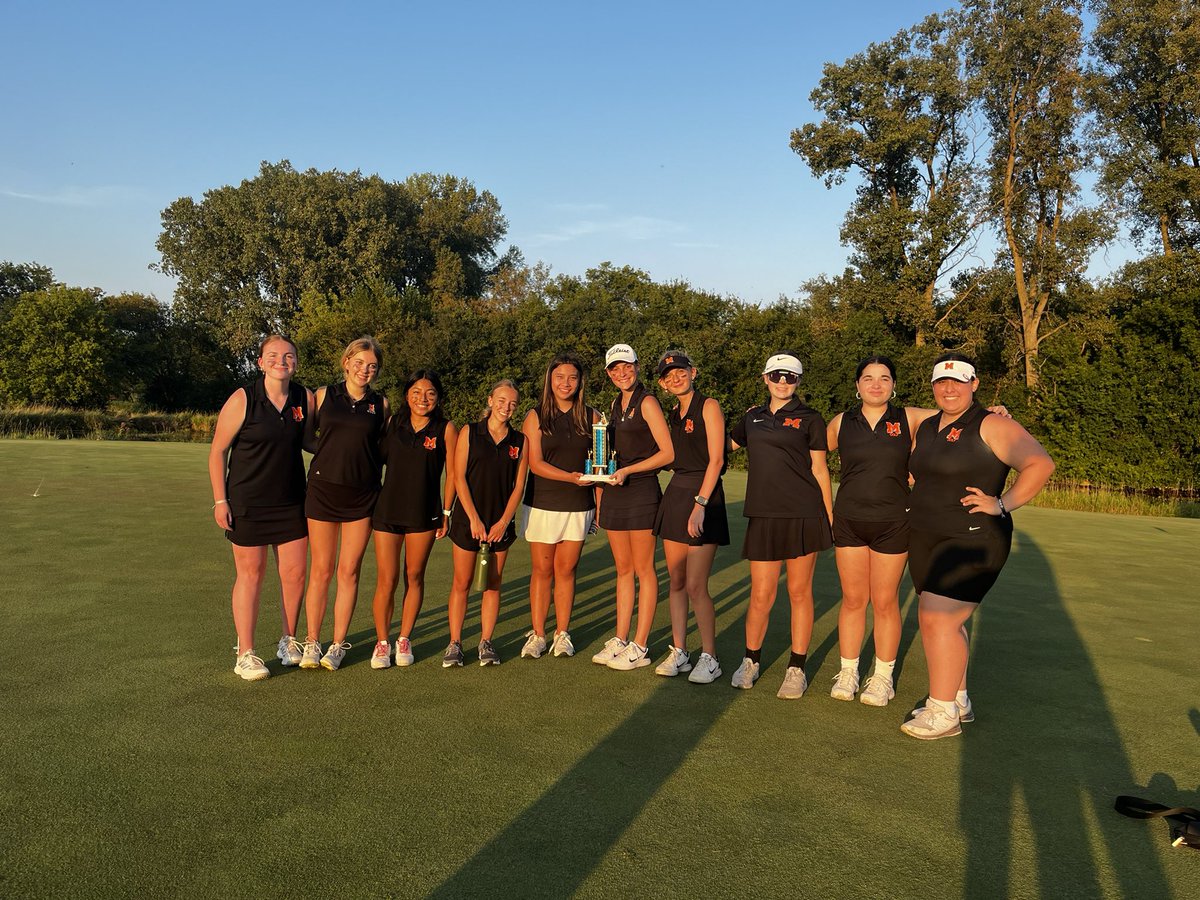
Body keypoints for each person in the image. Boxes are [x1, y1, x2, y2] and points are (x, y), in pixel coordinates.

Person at [826, 356, 1011, 707]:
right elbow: (809, 450)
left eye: (884, 378)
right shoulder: (839, 423)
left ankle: (882, 678)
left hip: (894, 521)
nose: (876, 384)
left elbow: (963, 413)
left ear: (894, 385)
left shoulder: (910, 417)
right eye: (868, 378)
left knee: (884, 601)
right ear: (857, 385)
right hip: (849, 519)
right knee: (852, 600)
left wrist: (993, 410)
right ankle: (848, 671)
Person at [901, 353, 1054, 740]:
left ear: (975, 384)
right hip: (927, 536)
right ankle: (959, 698)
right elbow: (883, 406)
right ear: (933, 386)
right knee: (948, 620)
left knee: (938, 619)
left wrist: (1002, 503)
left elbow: (1040, 464)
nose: (949, 388)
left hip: (973, 537)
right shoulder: (928, 424)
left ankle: (942, 712)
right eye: (941, 382)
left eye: (958, 381)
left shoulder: (992, 424)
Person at [208, 335, 314, 681]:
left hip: (292, 501)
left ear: (296, 362)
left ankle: (288, 641)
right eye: (273, 355)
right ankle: (246, 653)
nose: (281, 361)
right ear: (260, 362)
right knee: (251, 575)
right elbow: (217, 452)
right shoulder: (243, 398)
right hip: (248, 501)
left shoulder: (304, 397)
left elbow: (315, 441)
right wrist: (220, 499)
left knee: (295, 574)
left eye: (288, 355)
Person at [728, 351, 833, 698]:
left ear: (799, 381)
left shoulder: (811, 418)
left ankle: (796, 668)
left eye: (790, 377)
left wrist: (829, 519)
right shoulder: (751, 418)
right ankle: (751, 661)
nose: (783, 382)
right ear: (765, 378)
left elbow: (820, 470)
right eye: (777, 376)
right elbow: (719, 445)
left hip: (804, 513)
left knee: (799, 592)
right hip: (763, 515)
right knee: (761, 594)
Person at [299, 337, 388, 671]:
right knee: (321, 570)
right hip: (323, 491)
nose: (365, 370)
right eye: (359, 362)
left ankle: (337, 644)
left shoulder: (381, 404)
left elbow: (380, 448)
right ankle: (311, 641)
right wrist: (328, 458)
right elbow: (308, 438)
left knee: (348, 571)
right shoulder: (322, 396)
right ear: (346, 361)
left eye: (372, 366)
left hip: (362, 495)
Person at [591, 343, 674, 671]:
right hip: (615, 492)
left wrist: (629, 470)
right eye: (614, 368)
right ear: (609, 373)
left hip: (640, 491)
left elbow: (667, 453)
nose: (621, 373)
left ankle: (640, 646)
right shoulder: (614, 404)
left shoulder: (648, 401)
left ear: (637, 366)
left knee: (643, 570)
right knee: (623, 570)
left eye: (626, 366)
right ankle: (621, 638)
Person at [368, 370, 457, 669]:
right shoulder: (392, 423)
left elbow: (453, 474)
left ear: (438, 398)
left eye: (430, 393)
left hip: (424, 513)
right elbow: (371, 460)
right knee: (387, 579)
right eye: (417, 392)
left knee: (414, 576)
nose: (423, 398)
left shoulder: (445, 429)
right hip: (387, 511)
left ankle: (404, 638)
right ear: (407, 395)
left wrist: (446, 512)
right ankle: (382, 642)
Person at [651, 350, 728, 685]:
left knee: (697, 585)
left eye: (680, 372)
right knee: (677, 581)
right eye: (669, 376)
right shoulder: (672, 412)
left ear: (693, 372)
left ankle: (710, 657)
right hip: (676, 493)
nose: (675, 378)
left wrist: (700, 503)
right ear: (663, 384)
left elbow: (716, 460)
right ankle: (680, 651)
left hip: (703, 496)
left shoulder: (708, 406)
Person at [443, 379, 529, 667]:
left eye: (513, 403)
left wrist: (504, 521)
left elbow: (519, 485)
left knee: (493, 583)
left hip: (500, 523)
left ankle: (486, 642)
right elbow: (458, 477)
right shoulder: (470, 431)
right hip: (469, 519)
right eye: (502, 400)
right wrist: (474, 519)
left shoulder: (520, 441)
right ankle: (455, 643)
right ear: (491, 400)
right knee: (462, 581)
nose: (507, 407)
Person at [518, 354, 599, 660]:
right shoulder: (535, 416)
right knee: (542, 570)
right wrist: (570, 478)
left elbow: (600, 465)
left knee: (567, 570)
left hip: (579, 504)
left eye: (572, 378)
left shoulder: (592, 417)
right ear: (549, 381)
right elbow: (535, 464)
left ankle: (561, 633)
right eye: (559, 377)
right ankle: (538, 634)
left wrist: (598, 504)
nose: (566, 383)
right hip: (543, 503)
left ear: (580, 382)